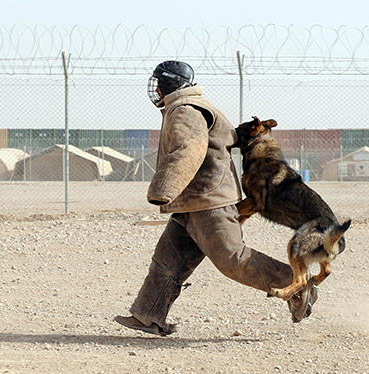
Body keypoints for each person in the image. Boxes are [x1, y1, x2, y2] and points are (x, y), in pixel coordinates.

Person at [114, 60, 316, 336]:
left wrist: (164, 187)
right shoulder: (189, 106)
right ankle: (149, 315)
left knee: (233, 259)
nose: (156, 89)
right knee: (168, 260)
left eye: (159, 83)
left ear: (169, 84)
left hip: (209, 200)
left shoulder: (185, 110)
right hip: (193, 201)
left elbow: (190, 149)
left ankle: (297, 284)